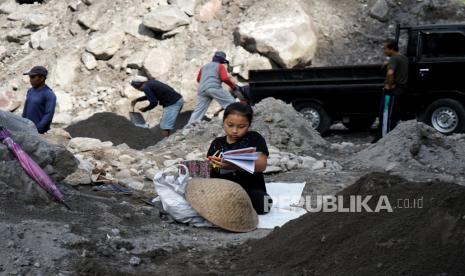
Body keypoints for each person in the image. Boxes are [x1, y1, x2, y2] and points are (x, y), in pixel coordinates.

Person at [207, 102, 272, 214]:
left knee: (264, 205)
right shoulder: (217, 143)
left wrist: (232, 165)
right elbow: (210, 168)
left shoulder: (254, 138)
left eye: (241, 127)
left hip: (249, 188)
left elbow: (262, 164)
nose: (235, 131)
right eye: (230, 125)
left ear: (249, 125)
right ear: (223, 122)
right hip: (224, 188)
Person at [372, 39, 409, 143]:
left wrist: (388, 85)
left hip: (392, 91)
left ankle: (383, 140)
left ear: (391, 49)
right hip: (401, 89)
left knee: (386, 115)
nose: (384, 50)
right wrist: (389, 61)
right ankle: (386, 139)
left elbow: (390, 73)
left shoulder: (394, 59)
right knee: (393, 115)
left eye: (385, 48)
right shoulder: (403, 58)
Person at [187, 51, 237, 125]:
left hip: (202, 90)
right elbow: (225, 78)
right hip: (213, 87)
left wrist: (206, 83)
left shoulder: (204, 67)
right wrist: (232, 86)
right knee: (231, 103)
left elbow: (198, 79)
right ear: (222, 60)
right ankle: (236, 120)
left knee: (199, 110)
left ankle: (189, 126)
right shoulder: (220, 66)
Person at [22, 65, 56, 134]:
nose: (30, 80)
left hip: (40, 132)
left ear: (42, 78)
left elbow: (48, 115)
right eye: (30, 77)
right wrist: (22, 123)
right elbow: (25, 110)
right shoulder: (30, 91)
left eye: (33, 77)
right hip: (26, 129)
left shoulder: (49, 94)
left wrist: (38, 129)